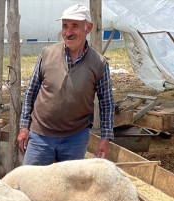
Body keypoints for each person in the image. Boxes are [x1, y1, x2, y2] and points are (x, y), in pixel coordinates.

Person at [17, 3, 114, 165]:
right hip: (41, 135)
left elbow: (107, 102)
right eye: (65, 26)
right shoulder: (47, 54)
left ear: (88, 28)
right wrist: (24, 127)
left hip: (75, 138)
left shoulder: (98, 63)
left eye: (74, 26)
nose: (68, 32)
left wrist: (106, 138)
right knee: (30, 183)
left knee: (71, 188)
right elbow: (31, 92)